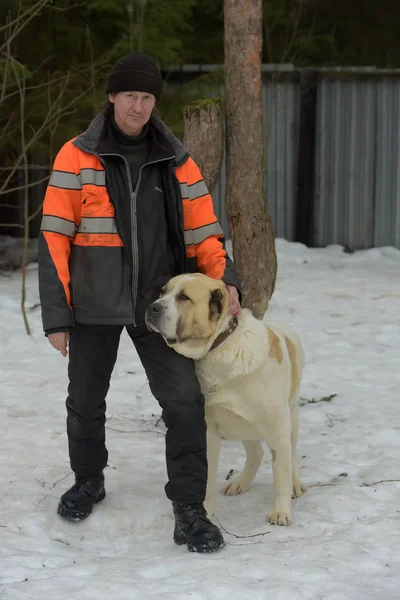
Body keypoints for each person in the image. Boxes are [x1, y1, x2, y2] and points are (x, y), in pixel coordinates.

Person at [38, 52, 241, 554]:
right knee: (85, 403)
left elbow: (205, 234)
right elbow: (54, 237)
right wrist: (57, 315)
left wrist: (226, 280)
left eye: (148, 96)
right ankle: (89, 480)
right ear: (111, 97)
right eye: (130, 94)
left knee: (184, 403)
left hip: (162, 304)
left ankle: (190, 507)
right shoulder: (76, 156)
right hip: (94, 303)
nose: (139, 105)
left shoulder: (177, 161)